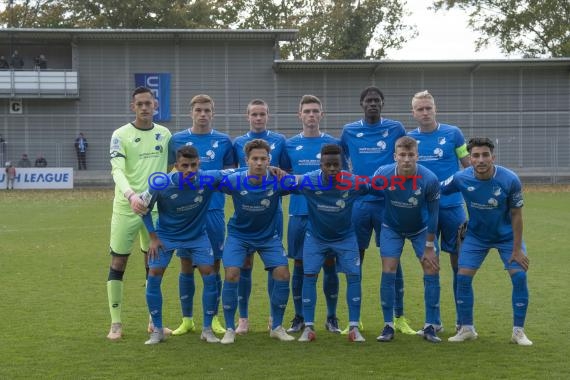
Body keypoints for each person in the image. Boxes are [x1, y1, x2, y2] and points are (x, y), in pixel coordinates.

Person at [443, 137, 532, 346]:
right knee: (463, 278)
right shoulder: (460, 178)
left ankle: (518, 332)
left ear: (493, 157)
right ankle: (467, 329)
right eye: (475, 155)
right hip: (476, 236)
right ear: (470, 158)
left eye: (485, 155)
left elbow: (517, 215)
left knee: (519, 277)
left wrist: (517, 249)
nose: (481, 159)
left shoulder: (509, 179)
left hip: (507, 237)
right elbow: (436, 189)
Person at [141, 146, 233, 345]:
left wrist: (271, 169)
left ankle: (207, 329)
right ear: (176, 166)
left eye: (193, 165)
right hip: (166, 236)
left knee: (209, 274)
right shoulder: (161, 183)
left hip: (197, 236)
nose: (189, 170)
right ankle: (157, 330)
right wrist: (153, 238)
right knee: (154, 275)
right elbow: (143, 208)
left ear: (199, 163)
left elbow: (240, 172)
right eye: (184, 166)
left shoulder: (207, 178)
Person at [339, 86, 411, 335]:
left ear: (383, 104)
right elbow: (340, 160)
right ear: (361, 104)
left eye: (377, 100)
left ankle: (398, 317)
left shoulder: (395, 128)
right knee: (354, 259)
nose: (373, 104)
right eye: (368, 100)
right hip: (358, 203)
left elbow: (404, 155)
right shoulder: (349, 131)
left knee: (392, 258)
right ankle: (354, 320)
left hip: (387, 203)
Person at [105, 86, 172, 341]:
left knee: (152, 265)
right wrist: (131, 196)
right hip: (126, 208)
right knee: (118, 262)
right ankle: (116, 324)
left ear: (155, 105)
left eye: (148, 103)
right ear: (133, 106)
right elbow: (117, 170)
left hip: (154, 210)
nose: (144, 107)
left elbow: (171, 168)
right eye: (140, 104)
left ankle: (153, 323)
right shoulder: (120, 134)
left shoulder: (165, 134)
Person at [167, 94, 235, 336]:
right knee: (186, 264)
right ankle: (187, 320)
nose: (203, 114)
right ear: (191, 112)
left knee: (213, 265)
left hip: (214, 210)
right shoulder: (177, 140)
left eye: (207, 110)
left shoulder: (224, 141)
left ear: (213, 113)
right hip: (186, 215)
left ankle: (213, 318)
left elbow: (230, 173)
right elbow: (169, 174)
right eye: (198, 110)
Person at [407, 90, 471, 335]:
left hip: (453, 208)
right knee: (430, 264)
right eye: (420, 109)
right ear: (413, 113)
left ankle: (463, 322)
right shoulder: (408, 138)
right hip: (423, 211)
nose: (425, 112)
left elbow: (468, 167)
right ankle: (433, 322)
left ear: (435, 109)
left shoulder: (453, 134)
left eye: (428, 108)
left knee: (460, 264)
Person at [219, 139, 293, 344]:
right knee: (232, 273)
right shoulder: (234, 180)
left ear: (269, 160)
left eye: (263, 159)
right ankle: (229, 329)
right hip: (239, 235)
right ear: (247, 160)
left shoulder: (278, 179)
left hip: (268, 236)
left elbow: (304, 184)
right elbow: (208, 181)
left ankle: (276, 326)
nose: (259, 163)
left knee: (283, 273)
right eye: (255, 159)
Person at [292, 144, 366, 342]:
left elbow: (378, 187)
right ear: (321, 164)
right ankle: (308, 328)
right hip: (315, 238)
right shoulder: (309, 180)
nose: (332, 169)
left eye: (336, 165)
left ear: (343, 164)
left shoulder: (353, 182)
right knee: (309, 276)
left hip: (346, 238)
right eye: (328, 165)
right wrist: (276, 172)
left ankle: (354, 327)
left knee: (353, 277)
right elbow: (284, 181)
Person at [374, 136, 442, 344]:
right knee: (388, 270)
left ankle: (430, 325)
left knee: (431, 269)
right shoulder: (382, 175)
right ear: (395, 156)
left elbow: (434, 215)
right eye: (402, 155)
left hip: (421, 229)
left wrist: (430, 246)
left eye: (410, 155)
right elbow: (367, 193)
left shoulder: (429, 179)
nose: (406, 160)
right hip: (391, 228)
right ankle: (388, 325)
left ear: (417, 156)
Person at [283, 95, 342, 334]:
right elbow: (285, 178)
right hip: (298, 213)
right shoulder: (289, 145)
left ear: (321, 115)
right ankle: (299, 316)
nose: (311, 115)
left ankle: (331, 316)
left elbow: (341, 177)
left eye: (315, 111)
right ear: (299, 115)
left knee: (329, 264)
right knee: (299, 265)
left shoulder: (333, 144)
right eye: (306, 111)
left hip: (327, 215)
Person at [232, 99, 288, 334]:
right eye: (254, 114)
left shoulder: (280, 141)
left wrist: (278, 171)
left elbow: (286, 172)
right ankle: (243, 318)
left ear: (268, 115)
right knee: (244, 265)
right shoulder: (237, 143)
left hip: (272, 212)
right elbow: (234, 172)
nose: (258, 118)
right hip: (247, 211)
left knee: (274, 264)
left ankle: (274, 318)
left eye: (262, 114)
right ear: (247, 116)